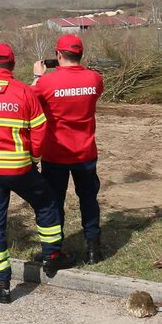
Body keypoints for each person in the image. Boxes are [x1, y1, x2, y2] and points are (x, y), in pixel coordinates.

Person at [0, 43, 75, 304]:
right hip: (20, 167)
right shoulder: (24, 92)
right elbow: (40, 130)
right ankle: (52, 256)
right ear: (12, 66)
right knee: (46, 204)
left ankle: (1, 284)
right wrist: (33, 159)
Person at [31, 34, 106, 263]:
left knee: (54, 201)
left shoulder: (46, 83)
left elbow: (29, 101)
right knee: (89, 199)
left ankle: (55, 247)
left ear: (58, 55)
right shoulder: (95, 79)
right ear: (80, 54)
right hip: (86, 152)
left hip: (56, 153)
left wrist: (37, 76)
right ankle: (93, 248)